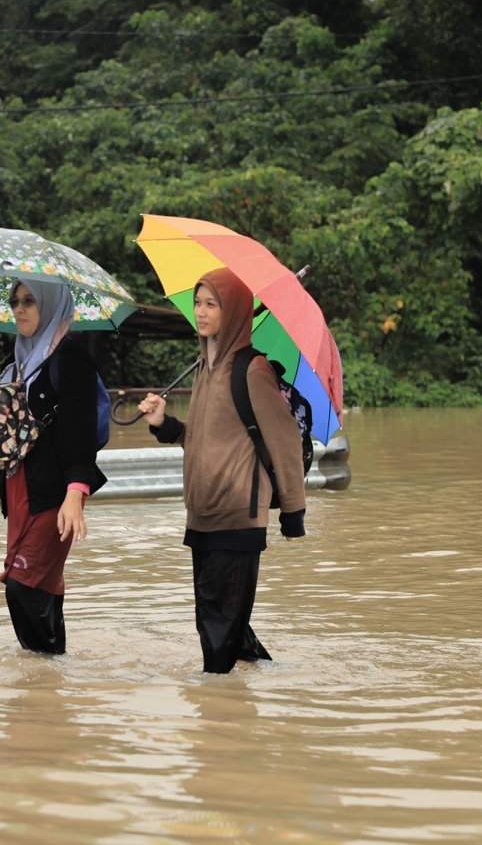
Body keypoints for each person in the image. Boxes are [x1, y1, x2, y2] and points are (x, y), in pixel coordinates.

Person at [137, 267, 306, 673]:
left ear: (232, 312)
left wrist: (294, 513)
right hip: (202, 514)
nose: (201, 311)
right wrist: (164, 423)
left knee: (217, 627)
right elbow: (200, 437)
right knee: (218, 621)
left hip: (238, 515)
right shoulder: (204, 367)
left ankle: (217, 718)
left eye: (212, 304)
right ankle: (273, 678)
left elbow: (284, 442)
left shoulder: (253, 369)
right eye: (198, 302)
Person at [0, 278, 106, 654]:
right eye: (14, 301)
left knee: (22, 586)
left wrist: (76, 493)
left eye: (29, 301)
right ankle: (51, 685)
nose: (18, 309)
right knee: (40, 587)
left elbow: (81, 433)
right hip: (18, 488)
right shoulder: (13, 367)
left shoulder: (72, 360)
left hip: (56, 493)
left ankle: (43, 679)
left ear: (51, 304)